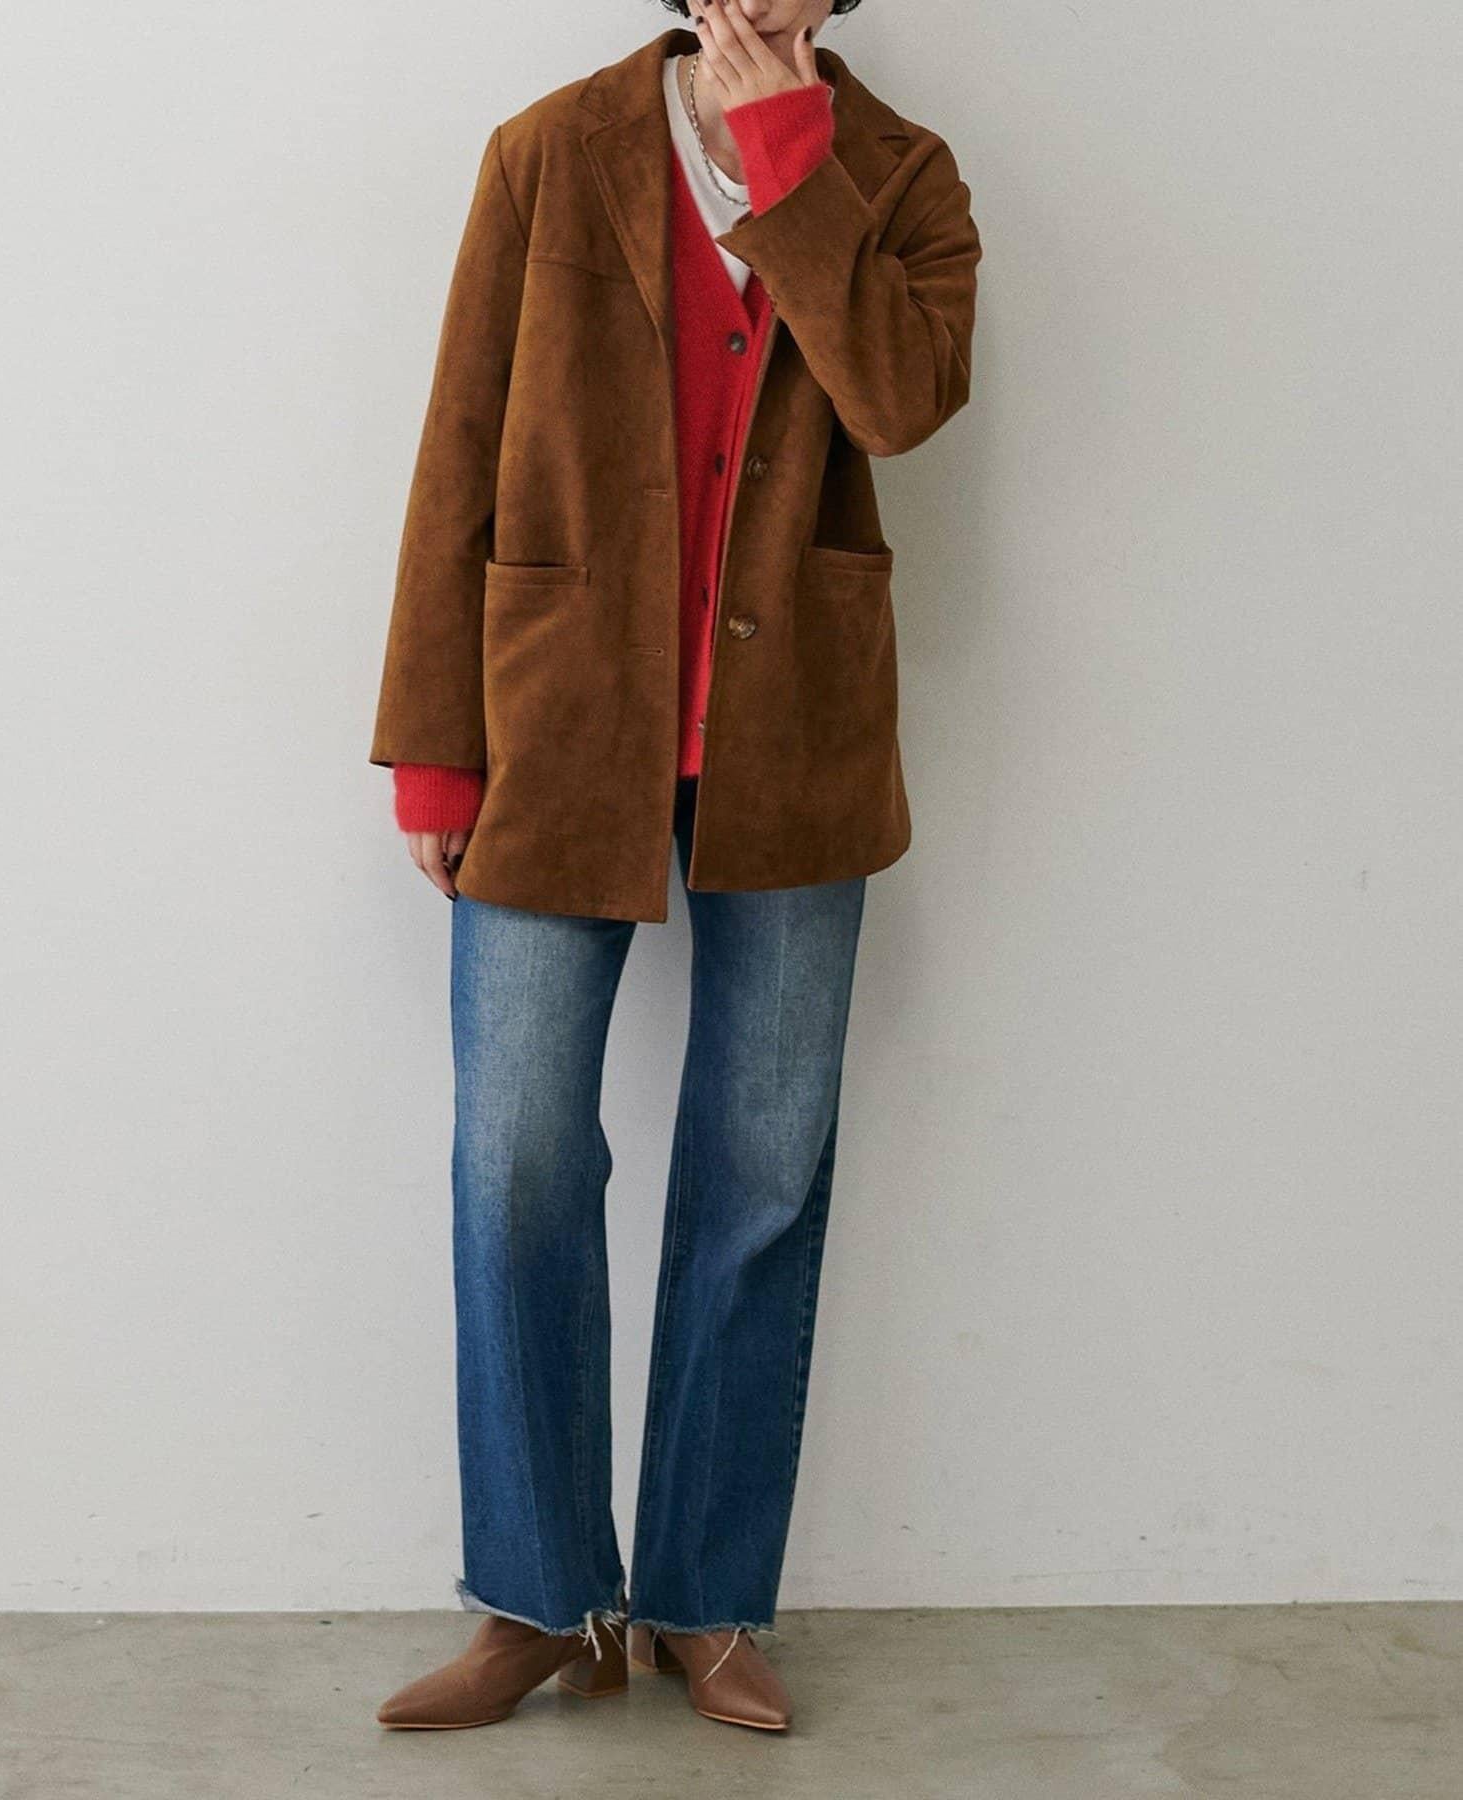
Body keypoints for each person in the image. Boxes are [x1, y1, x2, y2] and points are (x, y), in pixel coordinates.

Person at [368, 0, 981, 1735]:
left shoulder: (904, 173)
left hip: (798, 737)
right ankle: (536, 1598)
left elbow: (901, 403)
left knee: (762, 1170)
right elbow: (459, 445)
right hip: (555, 723)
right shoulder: (548, 151)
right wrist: (435, 742)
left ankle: (709, 1600)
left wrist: (790, 160)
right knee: (515, 1158)